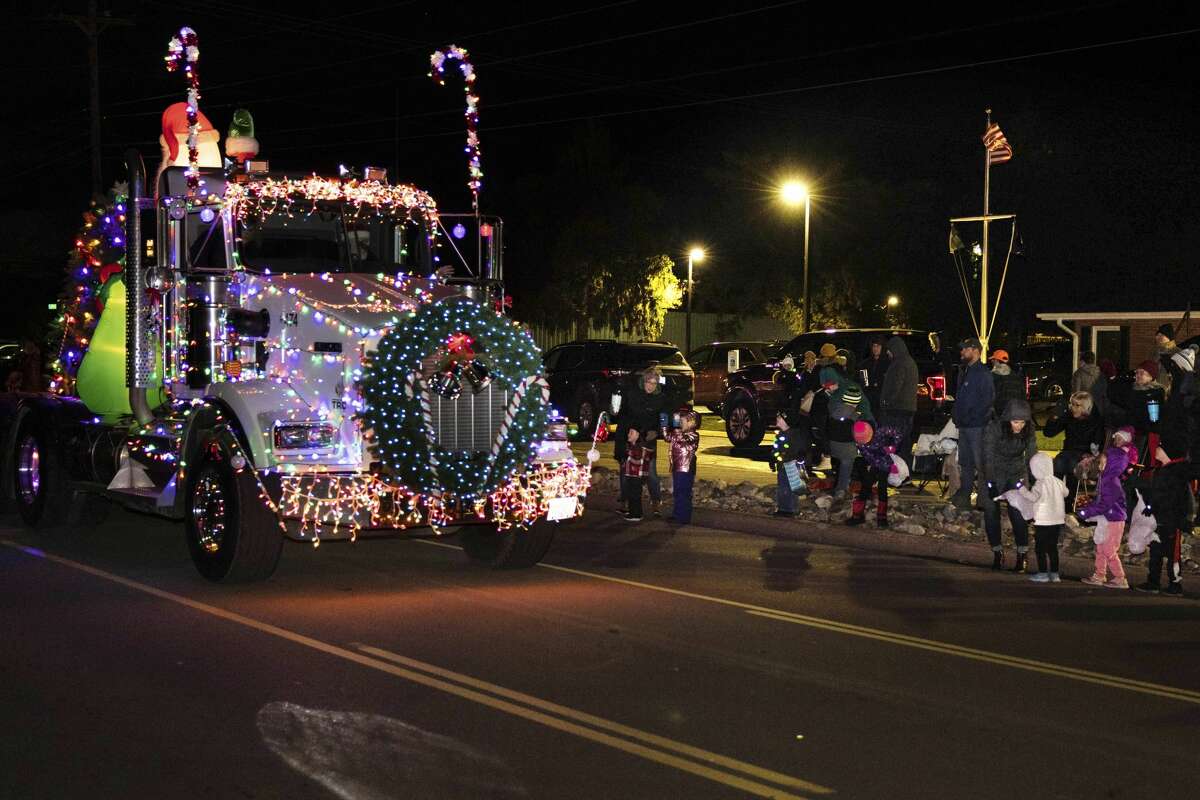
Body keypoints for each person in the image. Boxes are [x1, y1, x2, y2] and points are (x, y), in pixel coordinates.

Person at [614, 367, 681, 515]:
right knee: (626, 471)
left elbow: (663, 417)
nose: (651, 386)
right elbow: (625, 416)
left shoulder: (660, 398)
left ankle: (656, 501)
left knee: (651, 472)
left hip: (648, 439)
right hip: (630, 438)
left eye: (654, 383)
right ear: (643, 381)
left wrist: (657, 431)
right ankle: (624, 501)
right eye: (648, 382)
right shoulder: (633, 395)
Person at [981, 398, 1038, 571]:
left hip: (1016, 471)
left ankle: (1022, 553)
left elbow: (1031, 454)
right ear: (1007, 420)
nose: (1019, 426)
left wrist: (1035, 478)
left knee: (1018, 510)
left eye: (1022, 422)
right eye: (1015, 422)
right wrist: (991, 483)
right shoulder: (994, 428)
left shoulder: (1029, 430)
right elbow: (987, 457)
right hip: (995, 469)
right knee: (991, 511)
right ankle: (997, 552)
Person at [951, 337, 995, 510]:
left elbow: (987, 401)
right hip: (965, 426)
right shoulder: (966, 371)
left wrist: (974, 418)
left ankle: (984, 501)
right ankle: (964, 498)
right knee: (966, 464)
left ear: (975, 350)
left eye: (965, 349)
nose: (962, 352)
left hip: (976, 427)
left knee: (980, 464)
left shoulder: (983, 373)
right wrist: (957, 416)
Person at [1078, 445, 1131, 589]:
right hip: (1107, 518)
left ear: (1112, 464)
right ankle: (1099, 575)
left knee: (1109, 549)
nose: (1099, 466)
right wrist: (1088, 508)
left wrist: (1087, 513)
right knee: (1100, 548)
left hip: (1114, 520)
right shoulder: (1106, 479)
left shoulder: (1111, 482)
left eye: (1102, 463)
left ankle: (1120, 578)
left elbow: (1105, 504)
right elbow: (1100, 502)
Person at [1042, 391, 1105, 509]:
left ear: (1086, 406)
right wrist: (1055, 416)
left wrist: (1091, 454)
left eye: (1077, 405)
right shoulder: (1069, 417)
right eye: (1072, 404)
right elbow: (1049, 433)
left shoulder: (1095, 420)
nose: (1073, 408)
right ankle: (1055, 498)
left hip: (1086, 455)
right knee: (1058, 462)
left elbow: (1098, 442)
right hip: (1068, 452)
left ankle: (1068, 502)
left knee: (1072, 464)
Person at [1013, 452, 1069, 583]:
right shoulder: (1058, 482)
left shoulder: (1039, 484)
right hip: (1057, 520)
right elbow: (1066, 493)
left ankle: (1043, 573)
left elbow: (1032, 497)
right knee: (1053, 548)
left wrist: (1021, 489)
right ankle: (1055, 574)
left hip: (1043, 521)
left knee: (1040, 548)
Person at [821, 366, 873, 498]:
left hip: (857, 430)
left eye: (830, 385)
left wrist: (860, 418)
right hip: (847, 434)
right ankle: (845, 487)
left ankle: (850, 488)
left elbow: (861, 408)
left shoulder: (848, 389)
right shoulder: (837, 392)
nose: (829, 388)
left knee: (850, 461)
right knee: (846, 461)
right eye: (826, 387)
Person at [845, 420, 903, 528]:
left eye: (867, 441)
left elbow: (898, 434)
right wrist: (872, 464)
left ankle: (882, 518)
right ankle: (858, 516)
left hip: (885, 462)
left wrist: (893, 447)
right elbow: (865, 454)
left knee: (882, 487)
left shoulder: (881, 431)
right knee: (866, 486)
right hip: (873, 463)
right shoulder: (859, 441)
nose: (865, 443)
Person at [878, 335, 917, 465]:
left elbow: (896, 386)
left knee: (895, 443)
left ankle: (897, 473)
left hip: (896, 410)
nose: (888, 353)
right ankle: (905, 473)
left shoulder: (899, 364)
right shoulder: (910, 362)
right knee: (904, 443)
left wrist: (886, 402)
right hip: (907, 409)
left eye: (889, 350)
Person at [662, 410, 700, 525]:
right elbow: (667, 437)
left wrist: (677, 429)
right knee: (678, 492)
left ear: (692, 423)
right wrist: (664, 424)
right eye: (680, 421)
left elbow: (682, 440)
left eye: (682, 422)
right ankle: (677, 514)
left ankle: (683, 517)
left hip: (686, 469)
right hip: (677, 467)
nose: (680, 424)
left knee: (684, 492)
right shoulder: (677, 434)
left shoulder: (694, 435)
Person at [1126, 360, 1166, 461]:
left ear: (1151, 376)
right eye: (1137, 372)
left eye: (1141, 373)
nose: (1137, 375)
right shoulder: (1134, 390)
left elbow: (1154, 418)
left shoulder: (1154, 394)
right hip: (1132, 432)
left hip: (1144, 436)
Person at [771, 410, 808, 517]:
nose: (777, 420)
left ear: (785, 421)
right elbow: (776, 448)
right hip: (782, 465)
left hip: (790, 465)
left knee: (788, 487)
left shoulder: (794, 435)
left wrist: (799, 458)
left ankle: (788, 509)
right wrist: (773, 459)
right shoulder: (782, 434)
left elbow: (800, 450)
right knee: (785, 487)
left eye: (779, 418)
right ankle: (787, 508)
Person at [622, 429, 653, 522]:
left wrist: (628, 455)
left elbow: (639, 461)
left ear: (637, 435)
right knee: (631, 493)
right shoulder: (633, 446)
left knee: (635, 494)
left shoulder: (640, 448)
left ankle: (636, 514)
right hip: (632, 474)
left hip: (636, 475)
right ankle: (633, 511)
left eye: (631, 433)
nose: (628, 434)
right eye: (629, 432)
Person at [988, 349, 1025, 419]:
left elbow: (988, 398)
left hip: (998, 416)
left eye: (993, 360)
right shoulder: (1016, 377)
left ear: (996, 361)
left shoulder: (991, 377)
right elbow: (1023, 397)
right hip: (1014, 415)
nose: (991, 362)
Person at [861, 335, 890, 411]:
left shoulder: (889, 363)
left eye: (878, 346)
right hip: (869, 399)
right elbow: (863, 381)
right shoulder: (865, 363)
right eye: (874, 346)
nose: (875, 348)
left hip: (882, 400)